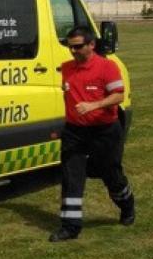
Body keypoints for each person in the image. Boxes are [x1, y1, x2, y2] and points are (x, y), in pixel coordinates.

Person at [50, 26, 134, 242]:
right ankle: (70, 227)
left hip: (105, 131)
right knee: (71, 177)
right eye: (70, 47)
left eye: (78, 46)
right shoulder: (66, 68)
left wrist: (93, 105)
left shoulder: (107, 67)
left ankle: (127, 205)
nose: (73, 51)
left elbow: (118, 96)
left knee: (111, 174)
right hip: (74, 132)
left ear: (91, 45)